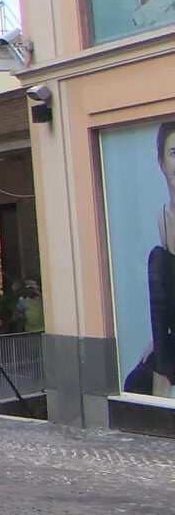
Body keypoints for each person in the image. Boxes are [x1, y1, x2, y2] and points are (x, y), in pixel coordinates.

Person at [123, 120, 175, 399]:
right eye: (174, 154)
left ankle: (162, 376)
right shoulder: (163, 217)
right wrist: (159, 341)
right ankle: (161, 369)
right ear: (162, 163)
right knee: (136, 382)